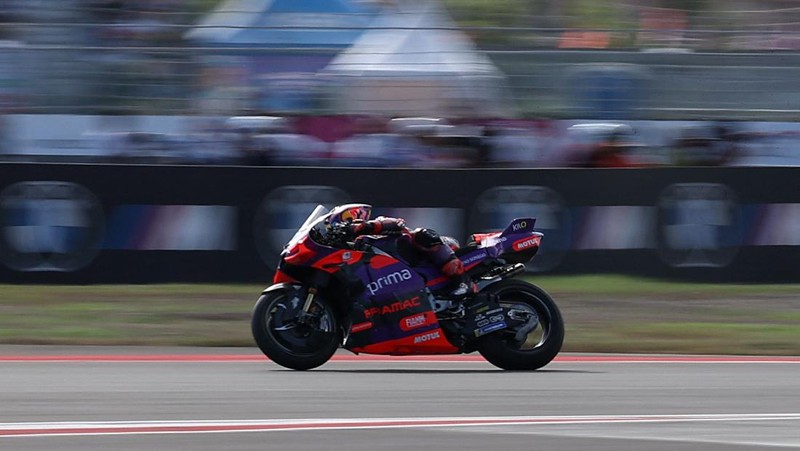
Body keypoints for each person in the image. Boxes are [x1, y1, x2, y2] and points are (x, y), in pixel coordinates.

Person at [326, 204, 476, 299]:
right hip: (399, 284)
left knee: (423, 234)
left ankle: (463, 282)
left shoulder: (376, 225)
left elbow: (399, 223)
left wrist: (365, 227)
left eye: (339, 226)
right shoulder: (352, 249)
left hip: (425, 257)